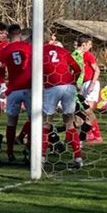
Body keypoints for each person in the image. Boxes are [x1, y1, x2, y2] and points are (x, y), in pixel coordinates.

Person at [42, 30, 84, 169]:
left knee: (46, 122)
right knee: (69, 123)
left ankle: (41, 157)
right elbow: (77, 68)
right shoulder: (62, 50)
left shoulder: (39, 51)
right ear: (51, 39)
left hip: (52, 87)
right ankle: (78, 158)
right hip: (69, 87)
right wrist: (73, 80)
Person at [0, 27, 31, 163]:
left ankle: (10, 152)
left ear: (9, 36)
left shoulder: (5, 50)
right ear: (20, 35)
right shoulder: (28, 48)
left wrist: (0, 76)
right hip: (28, 88)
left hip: (13, 90)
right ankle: (28, 149)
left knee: (11, 122)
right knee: (33, 120)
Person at [75, 37, 103, 143]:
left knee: (88, 110)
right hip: (83, 84)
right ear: (83, 45)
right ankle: (89, 133)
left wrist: (92, 83)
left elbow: (97, 70)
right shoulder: (78, 55)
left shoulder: (88, 54)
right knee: (82, 111)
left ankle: (97, 136)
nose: (91, 46)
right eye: (89, 44)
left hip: (91, 83)